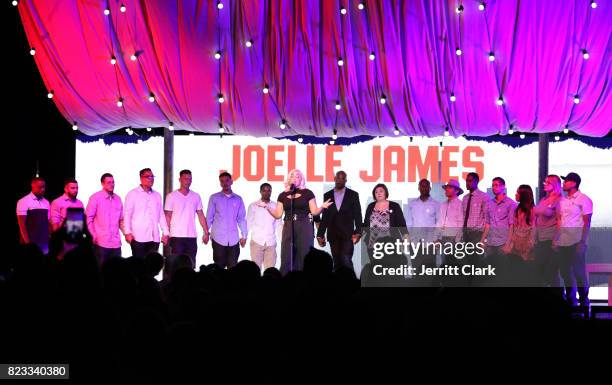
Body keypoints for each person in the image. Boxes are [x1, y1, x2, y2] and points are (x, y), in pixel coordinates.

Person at [262, 169, 332, 275]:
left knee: (304, 255)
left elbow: (314, 211)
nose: (295, 178)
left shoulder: (308, 193)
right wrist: (267, 207)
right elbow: (278, 214)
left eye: (298, 176)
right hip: (288, 225)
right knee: (287, 255)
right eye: (293, 176)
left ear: (302, 179)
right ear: (289, 179)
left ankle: (304, 281)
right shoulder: (282, 195)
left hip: (304, 225)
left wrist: (322, 207)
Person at [555, 172, 593, 306]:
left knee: (579, 272)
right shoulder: (562, 201)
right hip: (563, 242)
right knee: (565, 271)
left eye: (566, 181)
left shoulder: (584, 199)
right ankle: (571, 300)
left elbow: (587, 222)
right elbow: (559, 221)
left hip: (577, 241)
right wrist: (556, 239)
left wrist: (582, 241)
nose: (564, 183)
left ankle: (584, 300)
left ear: (574, 183)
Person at [316, 171, 363, 271]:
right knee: (336, 262)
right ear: (334, 179)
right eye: (338, 178)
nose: (340, 180)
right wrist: (320, 234)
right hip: (333, 234)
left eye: (342, 178)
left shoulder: (353, 195)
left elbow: (358, 215)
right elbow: (325, 216)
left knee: (346, 260)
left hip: (348, 234)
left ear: (345, 180)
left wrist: (358, 232)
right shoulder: (327, 195)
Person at [164, 170, 209, 270]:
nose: (188, 181)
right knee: (176, 264)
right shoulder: (171, 196)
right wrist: (166, 233)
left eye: (190, 179)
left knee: (191, 263)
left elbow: (200, 214)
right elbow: (167, 216)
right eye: (185, 179)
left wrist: (206, 232)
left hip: (191, 236)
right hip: (176, 236)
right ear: (180, 179)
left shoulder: (196, 196)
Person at [124, 168, 169, 258]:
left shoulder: (157, 195)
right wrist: (127, 232)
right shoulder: (132, 194)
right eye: (148, 176)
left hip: (154, 237)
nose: (151, 179)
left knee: (152, 266)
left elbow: (160, 215)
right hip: (138, 237)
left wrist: (165, 232)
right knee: (139, 266)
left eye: (152, 176)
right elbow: (127, 215)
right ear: (141, 178)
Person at [206, 172, 247, 269]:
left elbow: (241, 218)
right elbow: (209, 217)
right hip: (218, 238)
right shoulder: (214, 198)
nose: (225, 183)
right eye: (222, 181)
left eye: (227, 181)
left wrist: (244, 235)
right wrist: (205, 233)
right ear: (220, 183)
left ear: (231, 181)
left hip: (233, 239)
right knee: (218, 269)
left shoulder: (238, 199)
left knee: (233, 269)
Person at [86, 173, 125, 267]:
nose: (112, 184)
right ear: (102, 184)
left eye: (113, 182)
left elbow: (121, 220)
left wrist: (126, 233)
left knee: (116, 271)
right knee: (101, 271)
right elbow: (88, 218)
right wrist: (93, 234)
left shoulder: (118, 199)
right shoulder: (95, 198)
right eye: (108, 182)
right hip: (101, 242)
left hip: (116, 243)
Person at [363, 183, 408, 261]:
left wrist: (405, 236)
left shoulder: (395, 206)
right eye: (376, 192)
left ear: (386, 193)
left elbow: (401, 223)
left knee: (391, 268)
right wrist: (357, 234)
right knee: (376, 269)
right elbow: (366, 224)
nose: (378, 193)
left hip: (391, 243)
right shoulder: (370, 206)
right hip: (373, 244)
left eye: (381, 191)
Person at [534, 175, 562, 287]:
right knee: (540, 271)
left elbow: (560, 222)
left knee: (551, 273)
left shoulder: (560, 200)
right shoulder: (543, 200)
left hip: (551, 240)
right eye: (544, 182)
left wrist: (556, 240)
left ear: (555, 185)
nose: (544, 184)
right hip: (540, 239)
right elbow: (537, 217)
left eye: (548, 182)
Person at [482, 177, 517, 268]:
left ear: (503, 187)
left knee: (503, 271)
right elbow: (487, 223)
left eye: (497, 185)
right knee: (490, 271)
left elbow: (511, 226)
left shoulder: (511, 203)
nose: (494, 187)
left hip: (503, 243)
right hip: (490, 243)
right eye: (493, 185)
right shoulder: (489, 203)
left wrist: (508, 244)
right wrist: (482, 241)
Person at [405, 179, 439, 269]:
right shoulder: (412, 204)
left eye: (426, 186)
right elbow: (409, 222)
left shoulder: (436, 204)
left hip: (430, 242)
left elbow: (439, 223)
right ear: (418, 188)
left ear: (430, 188)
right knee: (416, 267)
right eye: (422, 186)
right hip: (415, 241)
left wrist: (437, 239)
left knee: (430, 269)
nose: (424, 188)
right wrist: (407, 238)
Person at [247, 183, 280, 271]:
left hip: (271, 243)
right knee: (255, 271)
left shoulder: (276, 206)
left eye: (268, 190)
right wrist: (244, 237)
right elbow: (248, 223)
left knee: (270, 271)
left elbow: (278, 225)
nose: (266, 192)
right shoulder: (253, 206)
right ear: (260, 192)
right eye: (264, 190)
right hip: (257, 241)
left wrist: (283, 239)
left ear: (271, 192)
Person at [16, 176, 51, 254]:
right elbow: (22, 225)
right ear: (33, 186)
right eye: (40, 187)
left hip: (44, 243)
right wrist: (28, 244)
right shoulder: (23, 201)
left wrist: (49, 237)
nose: (43, 189)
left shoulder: (46, 202)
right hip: (30, 243)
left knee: (44, 264)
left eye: (44, 187)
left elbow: (47, 222)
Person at [503, 185, 536, 262]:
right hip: (516, 245)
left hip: (526, 246)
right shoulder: (517, 209)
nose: (515, 194)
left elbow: (533, 231)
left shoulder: (532, 210)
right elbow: (514, 228)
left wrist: (529, 248)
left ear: (524, 195)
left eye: (518, 192)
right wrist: (509, 244)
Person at [434, 179, 463, 265]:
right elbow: (440, 221)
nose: (447, 189)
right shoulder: (443, 204)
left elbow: (460, 222)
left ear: (456, 190)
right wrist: (436, 238)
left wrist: (457, 240)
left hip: (453, 238)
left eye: (450, 187)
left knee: (453, 263)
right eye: (446, 187)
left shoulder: (460, 204)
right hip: (443, 238)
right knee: (444, 263)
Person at [461, 172, 489, 259]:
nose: (467, 183)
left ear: (476, 182)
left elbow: (487, 220)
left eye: (470, 181)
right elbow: (463, 217)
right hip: (466, 234)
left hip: (477, 234)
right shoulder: (465, 198)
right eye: (466, 181)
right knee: (466, 261)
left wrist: (483, 239)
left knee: (476, 261)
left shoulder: (484, 197)